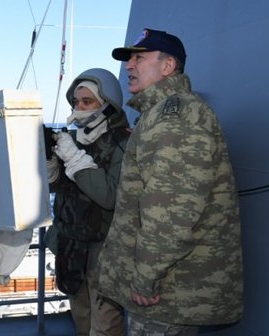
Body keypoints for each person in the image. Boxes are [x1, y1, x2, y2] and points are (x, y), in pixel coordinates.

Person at [97, 28, 243, 335]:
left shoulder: (176, 116)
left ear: (167, 66)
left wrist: (145, 277)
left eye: (139, 57)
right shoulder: (158, 115)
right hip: (166, 293)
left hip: (165, 296)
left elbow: (171, 212)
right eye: (129, 59)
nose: (129, 66)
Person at [45, 68, 130, 335]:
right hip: (72, 245)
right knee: (81, 318)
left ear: (107, 105)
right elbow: (58, 187)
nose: (78, 107)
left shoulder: (124, 142)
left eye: (87, 101)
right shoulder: (73, 140)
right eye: (76, 102)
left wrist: (73, 158)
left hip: (104, 251)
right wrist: (49, 164)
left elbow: (108, 196)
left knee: (104, 325)